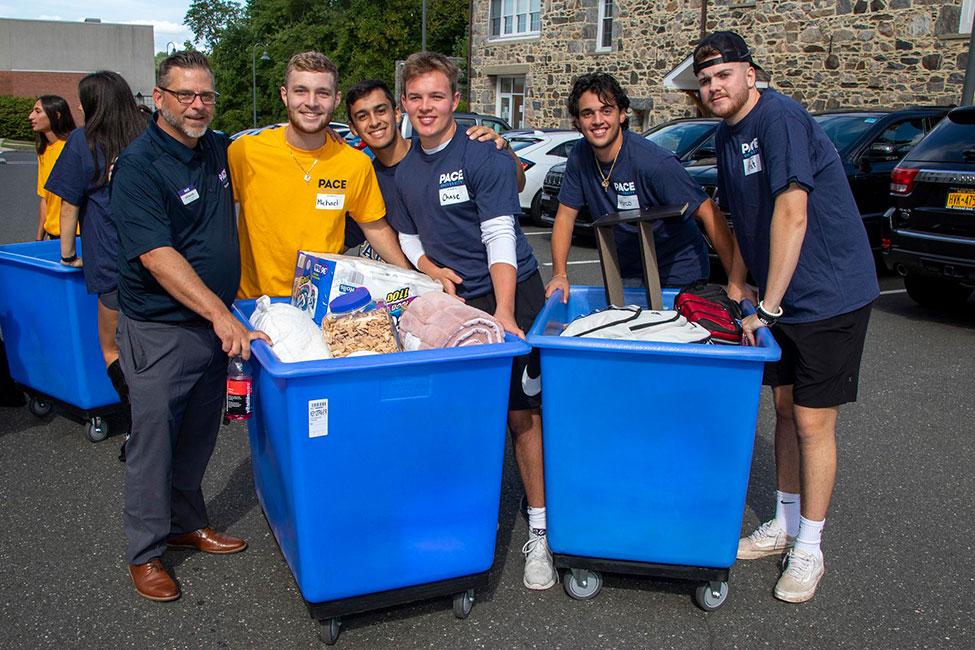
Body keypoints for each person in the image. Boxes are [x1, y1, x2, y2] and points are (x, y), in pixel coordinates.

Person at [692, 31, 879, 603]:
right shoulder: (728, 134)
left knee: (811, 421)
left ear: (750, 73)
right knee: (782, 409)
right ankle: (786, 523)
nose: (713, 87)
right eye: (704, 80)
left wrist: (765, 309)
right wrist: (736, 280)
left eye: (723, 74)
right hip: (780, 300)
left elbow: (792, 214)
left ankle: (810, 546)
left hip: (828, 295)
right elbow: (745, 214)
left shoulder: (779, 119)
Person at [392, 52, 555, 590]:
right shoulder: (402, 169)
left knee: (520, 414)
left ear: (455, 101)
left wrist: (504, 311)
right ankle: (450, 523)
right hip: (455, 304)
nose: (425, 107)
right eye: (415, 98)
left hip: (510, 291)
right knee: (452, 412)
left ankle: (540, 530)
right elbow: (409, 236)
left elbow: (501, 234)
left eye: (436, 96)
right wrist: (428, 267)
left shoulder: (482, 153)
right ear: (405, 104)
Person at [110, 51, 269, 602]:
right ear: (159, 98)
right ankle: (146, 551)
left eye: (205, 95)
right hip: (161, 329)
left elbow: (280, 141)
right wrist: (223, 315)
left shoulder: (216, 148)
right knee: (154, 442)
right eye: (185, 95)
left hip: (209, 327)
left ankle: (184, 523)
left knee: (200, 435)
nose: (197, 105)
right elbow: (156, 254)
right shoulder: (138, 166)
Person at [545, 72, 746, 303]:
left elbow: (710, 212)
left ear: (621, 114)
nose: (597, 120)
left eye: (606, 110)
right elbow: (565, 217)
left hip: (678, 271)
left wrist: (736, 283)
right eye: (588, 113)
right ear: (577, 122)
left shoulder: (653, 162)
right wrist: (559, 274)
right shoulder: (580, 157)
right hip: (630, 270)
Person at [229, 51, 410, 299]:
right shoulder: (245, 153)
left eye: (322, 93)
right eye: (301, 91)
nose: (311, 102)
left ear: (335, 100)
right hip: (257, 304)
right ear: (285, 95)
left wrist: (415, 281)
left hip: (319, 302)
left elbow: (375, 228)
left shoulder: (354, 163)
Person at [45, 72, 145, 439]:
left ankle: (139, 422)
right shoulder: (146, 135)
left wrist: (68, 254)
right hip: (154, 258)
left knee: (111, 347)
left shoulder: (83, 142)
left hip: (109, 260)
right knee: (151, 344)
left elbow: (68, 205)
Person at [344, 79, 526, 262]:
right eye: (362, 116)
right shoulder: (367, 181)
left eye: (381, 110)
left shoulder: (437, 153)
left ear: (397, 113)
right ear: (353, 128)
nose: (374, 122)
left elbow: (518, 185)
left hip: (484, 276)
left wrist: (503, 147)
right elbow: (340, 238)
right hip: (421, 283)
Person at [29, 95, 76, 241]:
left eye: (37, 111)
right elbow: (45, 198)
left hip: (76, 235)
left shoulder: (74, 147)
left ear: (56, 115)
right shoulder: (43, 151)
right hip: (53, 236)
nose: (31, 116)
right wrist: (38, 239)